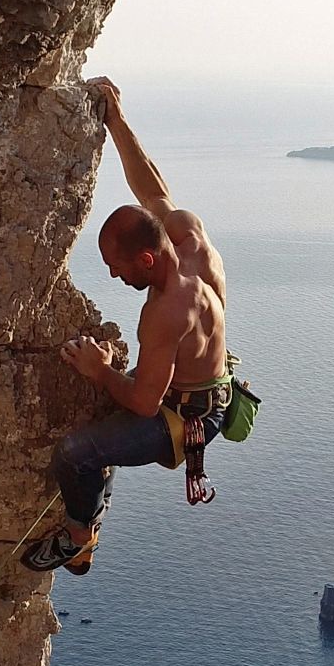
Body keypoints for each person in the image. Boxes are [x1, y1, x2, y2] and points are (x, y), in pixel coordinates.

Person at [22, 77, 231, 573]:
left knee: (74, 454)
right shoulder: (185, 235)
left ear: (145, 257)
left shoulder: (167, 312)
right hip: (202, 382)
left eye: (119, 268)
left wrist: (100, 370)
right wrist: (116, 121)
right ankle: (96, 491)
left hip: (185, 419)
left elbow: (143, 402)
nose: (115, 276)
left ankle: (79, 535)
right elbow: (150, 186)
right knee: (106, 414)